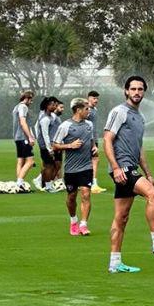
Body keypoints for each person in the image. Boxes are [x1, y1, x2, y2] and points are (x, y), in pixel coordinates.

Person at [103, 76, 154, 274]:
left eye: (140, 89)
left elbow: (139, 148)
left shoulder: (140, 117)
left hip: (131, 167)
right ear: (126, 91)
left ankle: (115, 263)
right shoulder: (119, 112)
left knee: (121, 218)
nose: (137, 92)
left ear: (144, 92)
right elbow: (107, 139)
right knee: (152, 195)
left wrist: (148, 172)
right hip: (124, 169)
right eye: (133, 89)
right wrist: (116, 167)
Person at [52, 98, 96, 236]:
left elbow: (91, 139)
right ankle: (73, 220)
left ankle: (83, 224)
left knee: (86, 193)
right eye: (87, 108)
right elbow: (54, 145)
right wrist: (70, 145)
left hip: (86, 166)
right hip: (71, 169)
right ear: (78, 110)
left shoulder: (89, 124)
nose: (89, 111)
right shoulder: (65, 126)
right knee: (71, 197)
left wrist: (94, 147)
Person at [34, 97, 61, 192]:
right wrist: (49, 148)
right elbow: (45, 135)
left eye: (55, 104)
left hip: (50, 145)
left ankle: (43, 183)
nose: (54, 106)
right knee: (49, 165)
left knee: (52, 165)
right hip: (45, 145)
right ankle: (48, 187)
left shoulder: (51, 116)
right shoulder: (45, 119)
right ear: (47, 106)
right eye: (52, 105)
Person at [11, 90, 36, 189]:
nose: (31, 102)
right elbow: (22, 122)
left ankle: (19, 184)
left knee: (20, 160)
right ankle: (19, 183)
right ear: (27, 98)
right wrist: (30, 137)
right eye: (31, 100)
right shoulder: (23, 107)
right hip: (23, 137)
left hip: (17, 137)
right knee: (30, 161)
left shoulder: (16, 107)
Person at [86, 90, 107, 193]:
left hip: (94, 139)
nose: (96, 100)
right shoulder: (88, 110)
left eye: (97, 98)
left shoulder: (94, 109)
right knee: (95, 160)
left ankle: (88, 183)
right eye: (94, 98)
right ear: (89, 98)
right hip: (89, 140)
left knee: (92, 161)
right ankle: (93, 184)